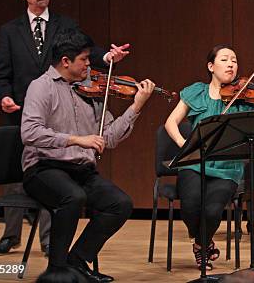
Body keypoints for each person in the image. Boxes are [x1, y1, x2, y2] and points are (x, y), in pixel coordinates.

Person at [0, 0, 129, 257]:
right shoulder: (11, 30)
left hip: (67, 106)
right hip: (27, 112)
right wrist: (4, 96)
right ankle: (11, 234)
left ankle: (52, 243)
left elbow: (86, 50)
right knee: (30, 173)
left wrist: (106, 57)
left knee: (63, 185)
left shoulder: (65, 24)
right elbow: (2, 72)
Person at [21, 28, 155, 283]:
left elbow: (110, 138)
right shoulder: (41, 88)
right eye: (84, 59)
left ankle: (77, 261)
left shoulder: (90, 89)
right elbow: (30, 133)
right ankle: (57, 271)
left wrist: (136, 105)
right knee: (73, 197)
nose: (89, 64)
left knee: (120, 203)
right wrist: (75, 139)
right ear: (65, 62)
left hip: (80, 170)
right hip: (43, 168)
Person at [165, 45, 254, 270]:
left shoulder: (243, 99)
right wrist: (184, 145)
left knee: (212, 210)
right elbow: (170, 123)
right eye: (225, 59)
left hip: (227, 167)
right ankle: (204, 243)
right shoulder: (196, 91)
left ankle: (200, 245)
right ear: (211, 66)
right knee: (190, 206)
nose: (231, 64)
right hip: (194, 163)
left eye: (234, 60)